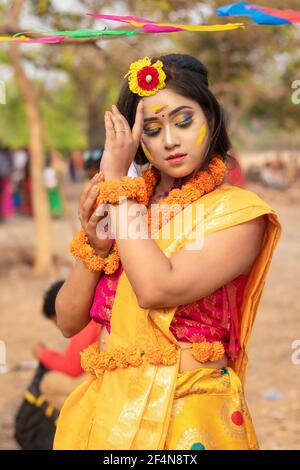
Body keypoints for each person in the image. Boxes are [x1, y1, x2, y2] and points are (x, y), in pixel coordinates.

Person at [54, 54, 281, 450]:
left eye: (183, 120)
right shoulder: (128, 206)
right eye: (153, 129)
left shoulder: (240, 213)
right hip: (110, 409)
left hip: (188, 414)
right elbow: (68, 321)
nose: (169, 141)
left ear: (211, 116)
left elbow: (156, 288)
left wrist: (117, 184)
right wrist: (94, 246)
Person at [32, 280, 100, 409]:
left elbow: (72, 367)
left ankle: (83, 423)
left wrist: (42, 354)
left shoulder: (86, 320)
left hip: (102, 378)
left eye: (56, 322)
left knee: (49, 383)